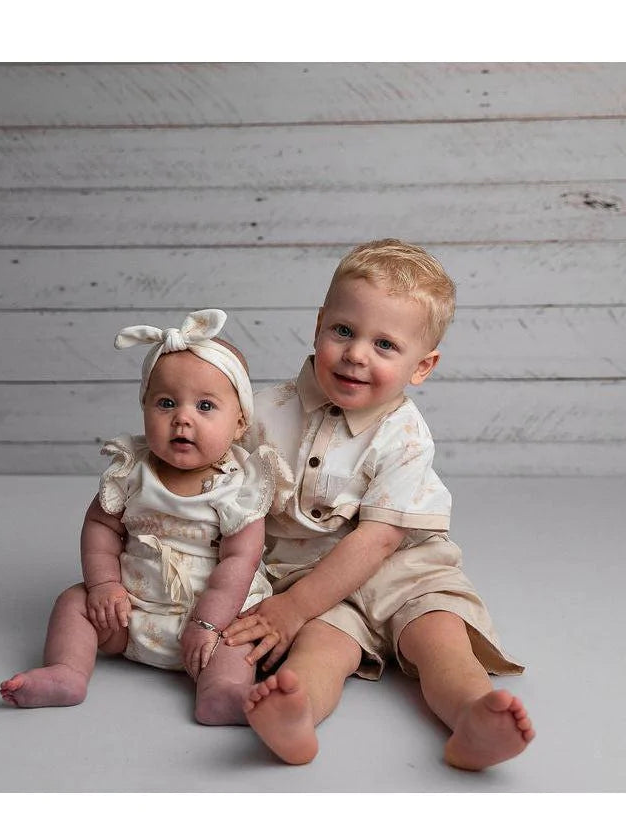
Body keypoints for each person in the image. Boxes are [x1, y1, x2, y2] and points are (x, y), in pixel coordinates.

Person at [223, 239, 535, 770]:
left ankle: (473, 716)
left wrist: (291, 609)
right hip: (311, 579)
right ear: (319, 324)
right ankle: (296, 715)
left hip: (404, 571)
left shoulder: (404, 434)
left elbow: (381, 539)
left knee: (439, 638)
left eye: (385, 345)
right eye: (343, 331)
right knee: (320, 650)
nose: (356, 354)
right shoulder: (261, 411)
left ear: (422, 366)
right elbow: (221, 490)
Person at [0, 309, 290, 725]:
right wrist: (104, 586)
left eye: (205, 406)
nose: (182, 418)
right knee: (74, 602)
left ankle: (221, 694)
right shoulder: (132, 471)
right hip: (131, 611)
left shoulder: (239, 485)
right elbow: (100, 526)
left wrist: (208, 622)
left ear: (240, 422)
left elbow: (240, 561)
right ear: (144, 408)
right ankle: (66, 672)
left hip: (211, 622)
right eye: (166, 403)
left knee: (241, 637)